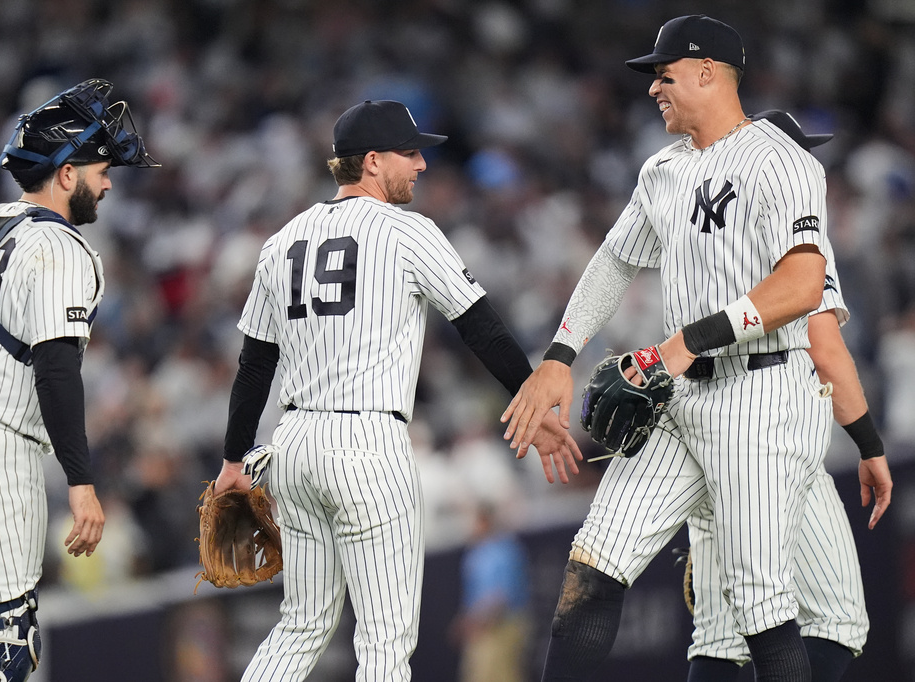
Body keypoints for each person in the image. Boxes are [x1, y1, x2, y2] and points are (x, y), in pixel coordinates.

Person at [501, 15, 835, 681]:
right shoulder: (663, 169)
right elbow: (614, 262)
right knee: (592, 565)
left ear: (708, 72)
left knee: (758, 603)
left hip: (764, 392)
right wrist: (558, 358)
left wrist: (691, 338)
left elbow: (801, 284)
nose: (654, 87)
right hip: (681, 392)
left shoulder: (781, 160)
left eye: (666, 74)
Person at [212, 99, 582, 682]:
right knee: (385, 640)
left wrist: (233, 459)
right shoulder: (407, 231)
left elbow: (255, 365)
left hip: (293, 444)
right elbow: (480, 326)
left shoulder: (280, 241)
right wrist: (530, 398)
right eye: (410, 153)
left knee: (302, 625)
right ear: (373, 162)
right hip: (367, 443)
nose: (422, 165)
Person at [0, 78, 158, 681]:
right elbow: (57, 368)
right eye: (100, 168)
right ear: (66, 174)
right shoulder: (60, 247)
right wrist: (82, 481)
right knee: (1, 646)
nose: (109, 181)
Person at [684, 111, 893, 682]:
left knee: (722, 633)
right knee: (836, 620)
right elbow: (825, 349)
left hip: (698, 421)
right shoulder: (796, 244)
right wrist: (870, 446)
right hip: (767, 433)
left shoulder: (704, 229)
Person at [451, 503, 533, 682]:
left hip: (503, 628)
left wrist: (476, 622)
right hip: (481, 630)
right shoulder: (474, 554)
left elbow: (501, 597)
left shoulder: (504, 551)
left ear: (484, 521)